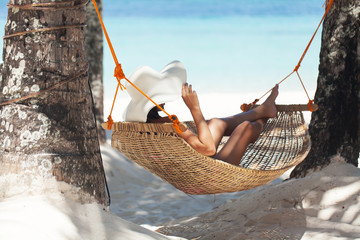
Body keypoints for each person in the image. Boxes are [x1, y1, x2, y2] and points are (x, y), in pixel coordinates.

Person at [124, 61, 279, 166]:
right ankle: (264, 116)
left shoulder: (146, 126)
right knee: (245, 127)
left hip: (196, 164)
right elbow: (209, 150)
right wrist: (194, 108)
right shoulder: (168, 126)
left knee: (216, 123)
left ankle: (263, 110)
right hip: (212, 174)